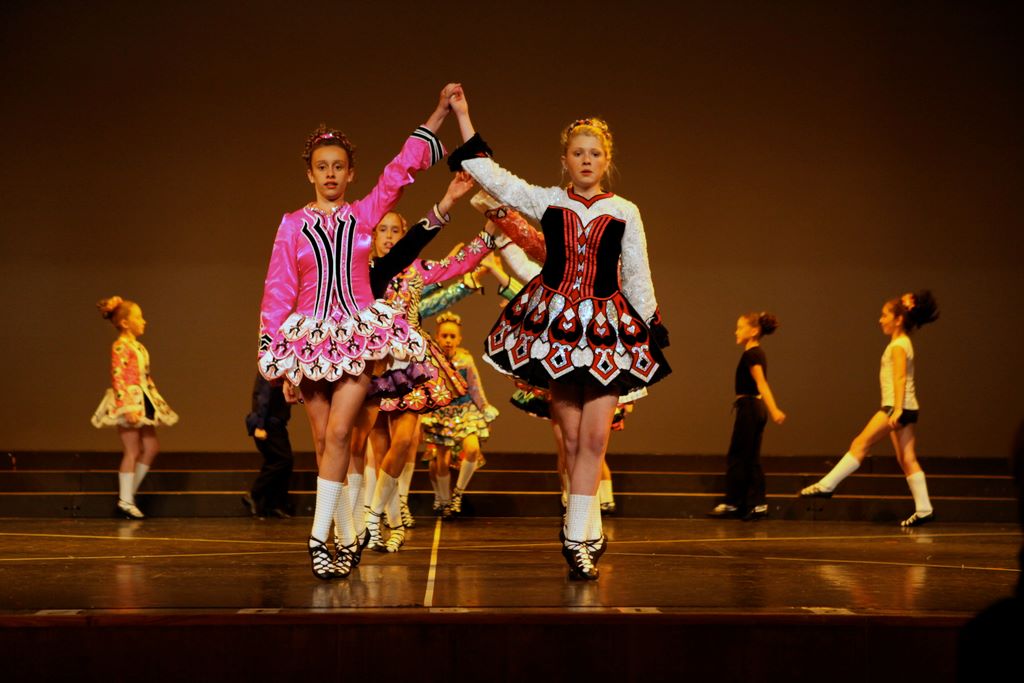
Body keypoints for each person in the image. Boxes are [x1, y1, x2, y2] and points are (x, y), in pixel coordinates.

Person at [445, 88, 671, 580]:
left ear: (607, 160)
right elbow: (493, 176)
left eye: (595, 153)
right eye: (578, 153)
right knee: (570, 439)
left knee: (595, 438)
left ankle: (577, 539)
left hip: (607, 332)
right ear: (565, 160)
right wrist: (463, 115)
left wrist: (649, 325)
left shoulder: (625, 211)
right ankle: (582, 528)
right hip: (558, 332)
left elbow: (637, 273)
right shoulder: (548, 200)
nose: (586, 160)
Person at [258, 84, 459, 580]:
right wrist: (277, 356)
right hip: (309, 339)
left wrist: (437, 115)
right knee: (324, 440)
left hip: (356, 333)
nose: (330, 174)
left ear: (350, 173)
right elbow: (279, 289)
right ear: (310, 173)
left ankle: (317, 538)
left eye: (338, 167)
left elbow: (400, 173)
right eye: (321, 167)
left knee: (341, 433)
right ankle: (346, 535)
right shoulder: (291, 225)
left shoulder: (363, 216)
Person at [359, 195, 498, 553]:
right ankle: (387, 522)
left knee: (404, 442)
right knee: (378, 447)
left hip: (410, 365)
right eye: (383, 230)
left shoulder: (416, 270)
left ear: (405, 235)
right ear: (373, 236)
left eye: (396, 231)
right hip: (374, 363)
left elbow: (457, 264)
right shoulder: (361, 273)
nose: (389, 237)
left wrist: (489, 231)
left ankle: (373, 517)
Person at [800, 291, 939, 527]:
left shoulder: (899, 345)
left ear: (898, 319)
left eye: (885, 315)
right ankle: (924, 508)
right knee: (906, 458)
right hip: (907, 406)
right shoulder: (903, 343)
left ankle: (827, 485)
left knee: (860, 443)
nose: (880, 319)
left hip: (896, 406)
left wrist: (896, 409)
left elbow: (900, 377)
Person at [91, 296, 178, 519]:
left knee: (151, 447)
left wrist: (156, 401)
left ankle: (128, 496)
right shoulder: (120, 346)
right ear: (125, 323)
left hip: (143, 399)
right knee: (132, 450)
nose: (143, 321)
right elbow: (118, 377)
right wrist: (125, 405)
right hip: (129, 400)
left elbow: (145, 376)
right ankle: (125, 500)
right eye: (138, 318)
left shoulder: (138, 346)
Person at [420, 312, 499, 519]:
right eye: (444, 336)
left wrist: (484, 409)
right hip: (441, 413)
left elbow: (475, 387)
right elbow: (426, 388)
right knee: (441, 460)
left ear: (459, 339)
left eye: (452, 336)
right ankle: (444, 500)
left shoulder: (465, 360)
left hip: (465, 411)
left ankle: (457, 493)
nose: (448, 340)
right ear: (437, 337)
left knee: (472, 448)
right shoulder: (431, 361)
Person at [708, 313, 786, 521]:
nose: (736, 331)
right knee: (750, 457)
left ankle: (734, 503)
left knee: (738, 456)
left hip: (750, 408)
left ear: (753, 331)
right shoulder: (755, 353)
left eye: (740, 327)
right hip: (753, 408)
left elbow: (761, 383)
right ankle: (754, 503)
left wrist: (774, 409)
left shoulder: (752, 354)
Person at [243, 373, 298, 518]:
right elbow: (263, 397)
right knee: (283, 460)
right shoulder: (270, 371)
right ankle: (254, 495)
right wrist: (260, 426)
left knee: (280, 461)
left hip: (276, 423)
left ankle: (272, 504)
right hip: (268, 424)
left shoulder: (280, 373)